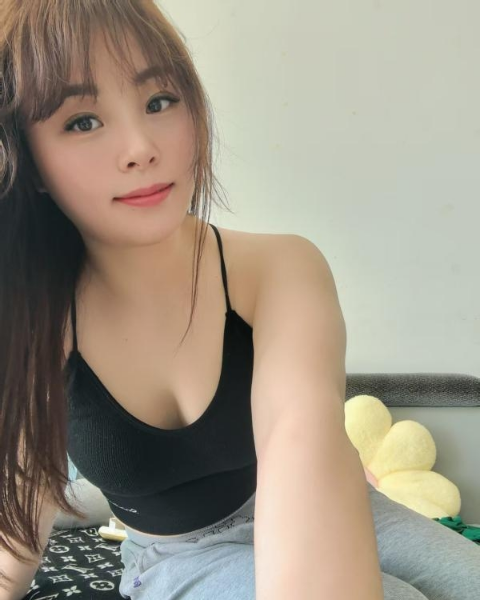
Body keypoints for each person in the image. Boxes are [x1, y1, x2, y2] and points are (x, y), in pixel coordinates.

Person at [0, 2, 479, 599]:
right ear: (28, 158)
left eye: (159, 101)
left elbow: (303, 442)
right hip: (177, 555)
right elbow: (27, 495)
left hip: (338, 502)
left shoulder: (278, 270)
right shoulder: (39, 321)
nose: (140, 147)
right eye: (82, 121)